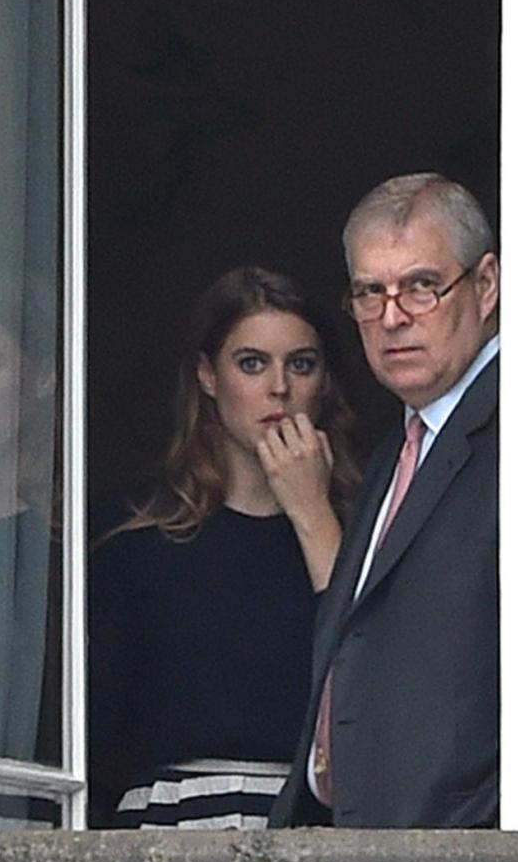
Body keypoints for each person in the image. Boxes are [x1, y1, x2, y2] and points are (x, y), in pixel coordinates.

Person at [87, 265, 361, 829]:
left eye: (301, 365)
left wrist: (312, 512)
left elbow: (372, 683)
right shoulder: (137, 534)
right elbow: (98, 732)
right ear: (209, 376)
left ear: (325, 381)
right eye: (252, 363)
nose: (278, 387)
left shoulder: (365, 526)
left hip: (311, 824)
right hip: (168, 820)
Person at [269, 172, 503, 828]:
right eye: (371, 292)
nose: (392, 317)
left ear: (486, 286)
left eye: (422, 286)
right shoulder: (398, 451)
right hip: (363, 855)